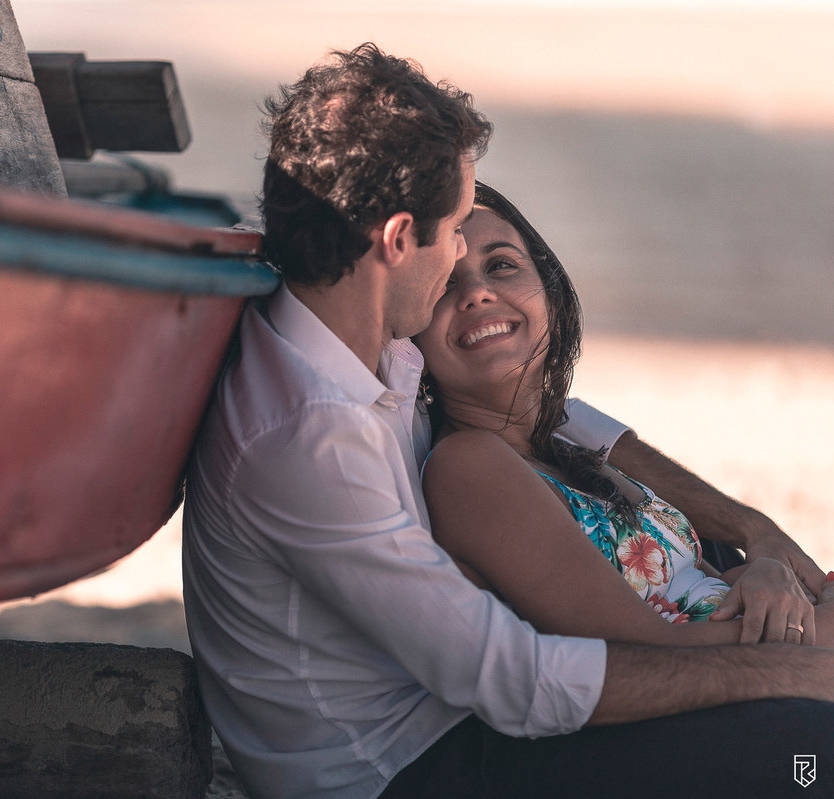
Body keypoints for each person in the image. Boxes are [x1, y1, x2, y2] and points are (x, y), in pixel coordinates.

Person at [181, 43, 834, 799]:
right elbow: (515, 679)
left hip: (457, 718)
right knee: (810, 756)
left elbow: (558, 418)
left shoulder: (361, 336)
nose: (462, 251)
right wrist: (789, 671)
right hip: (402, 768)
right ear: (398, 240)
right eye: (455, 228)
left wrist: (752, 525)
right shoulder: (308, 437)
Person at [416, 182, 833, 651]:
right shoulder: (468, 464)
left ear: (551, 294)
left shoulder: (566, 447)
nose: (476, 293)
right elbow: (633, 652)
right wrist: (815, 635)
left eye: (502, 265)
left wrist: (763, 572)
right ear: (411, 325)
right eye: (445, 282)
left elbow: (693, 587)